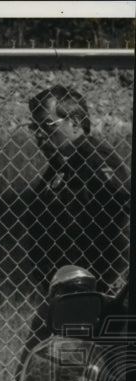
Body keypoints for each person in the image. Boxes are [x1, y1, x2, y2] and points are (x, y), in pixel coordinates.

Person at [26, 85, 131, 291]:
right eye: (34, 127)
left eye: (47, 125)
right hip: (63, 285)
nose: (39, 134)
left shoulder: (95, 161)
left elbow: (125, 216)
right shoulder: (60, 164)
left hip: (94, 287)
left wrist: (113, 283)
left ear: (74, 123)